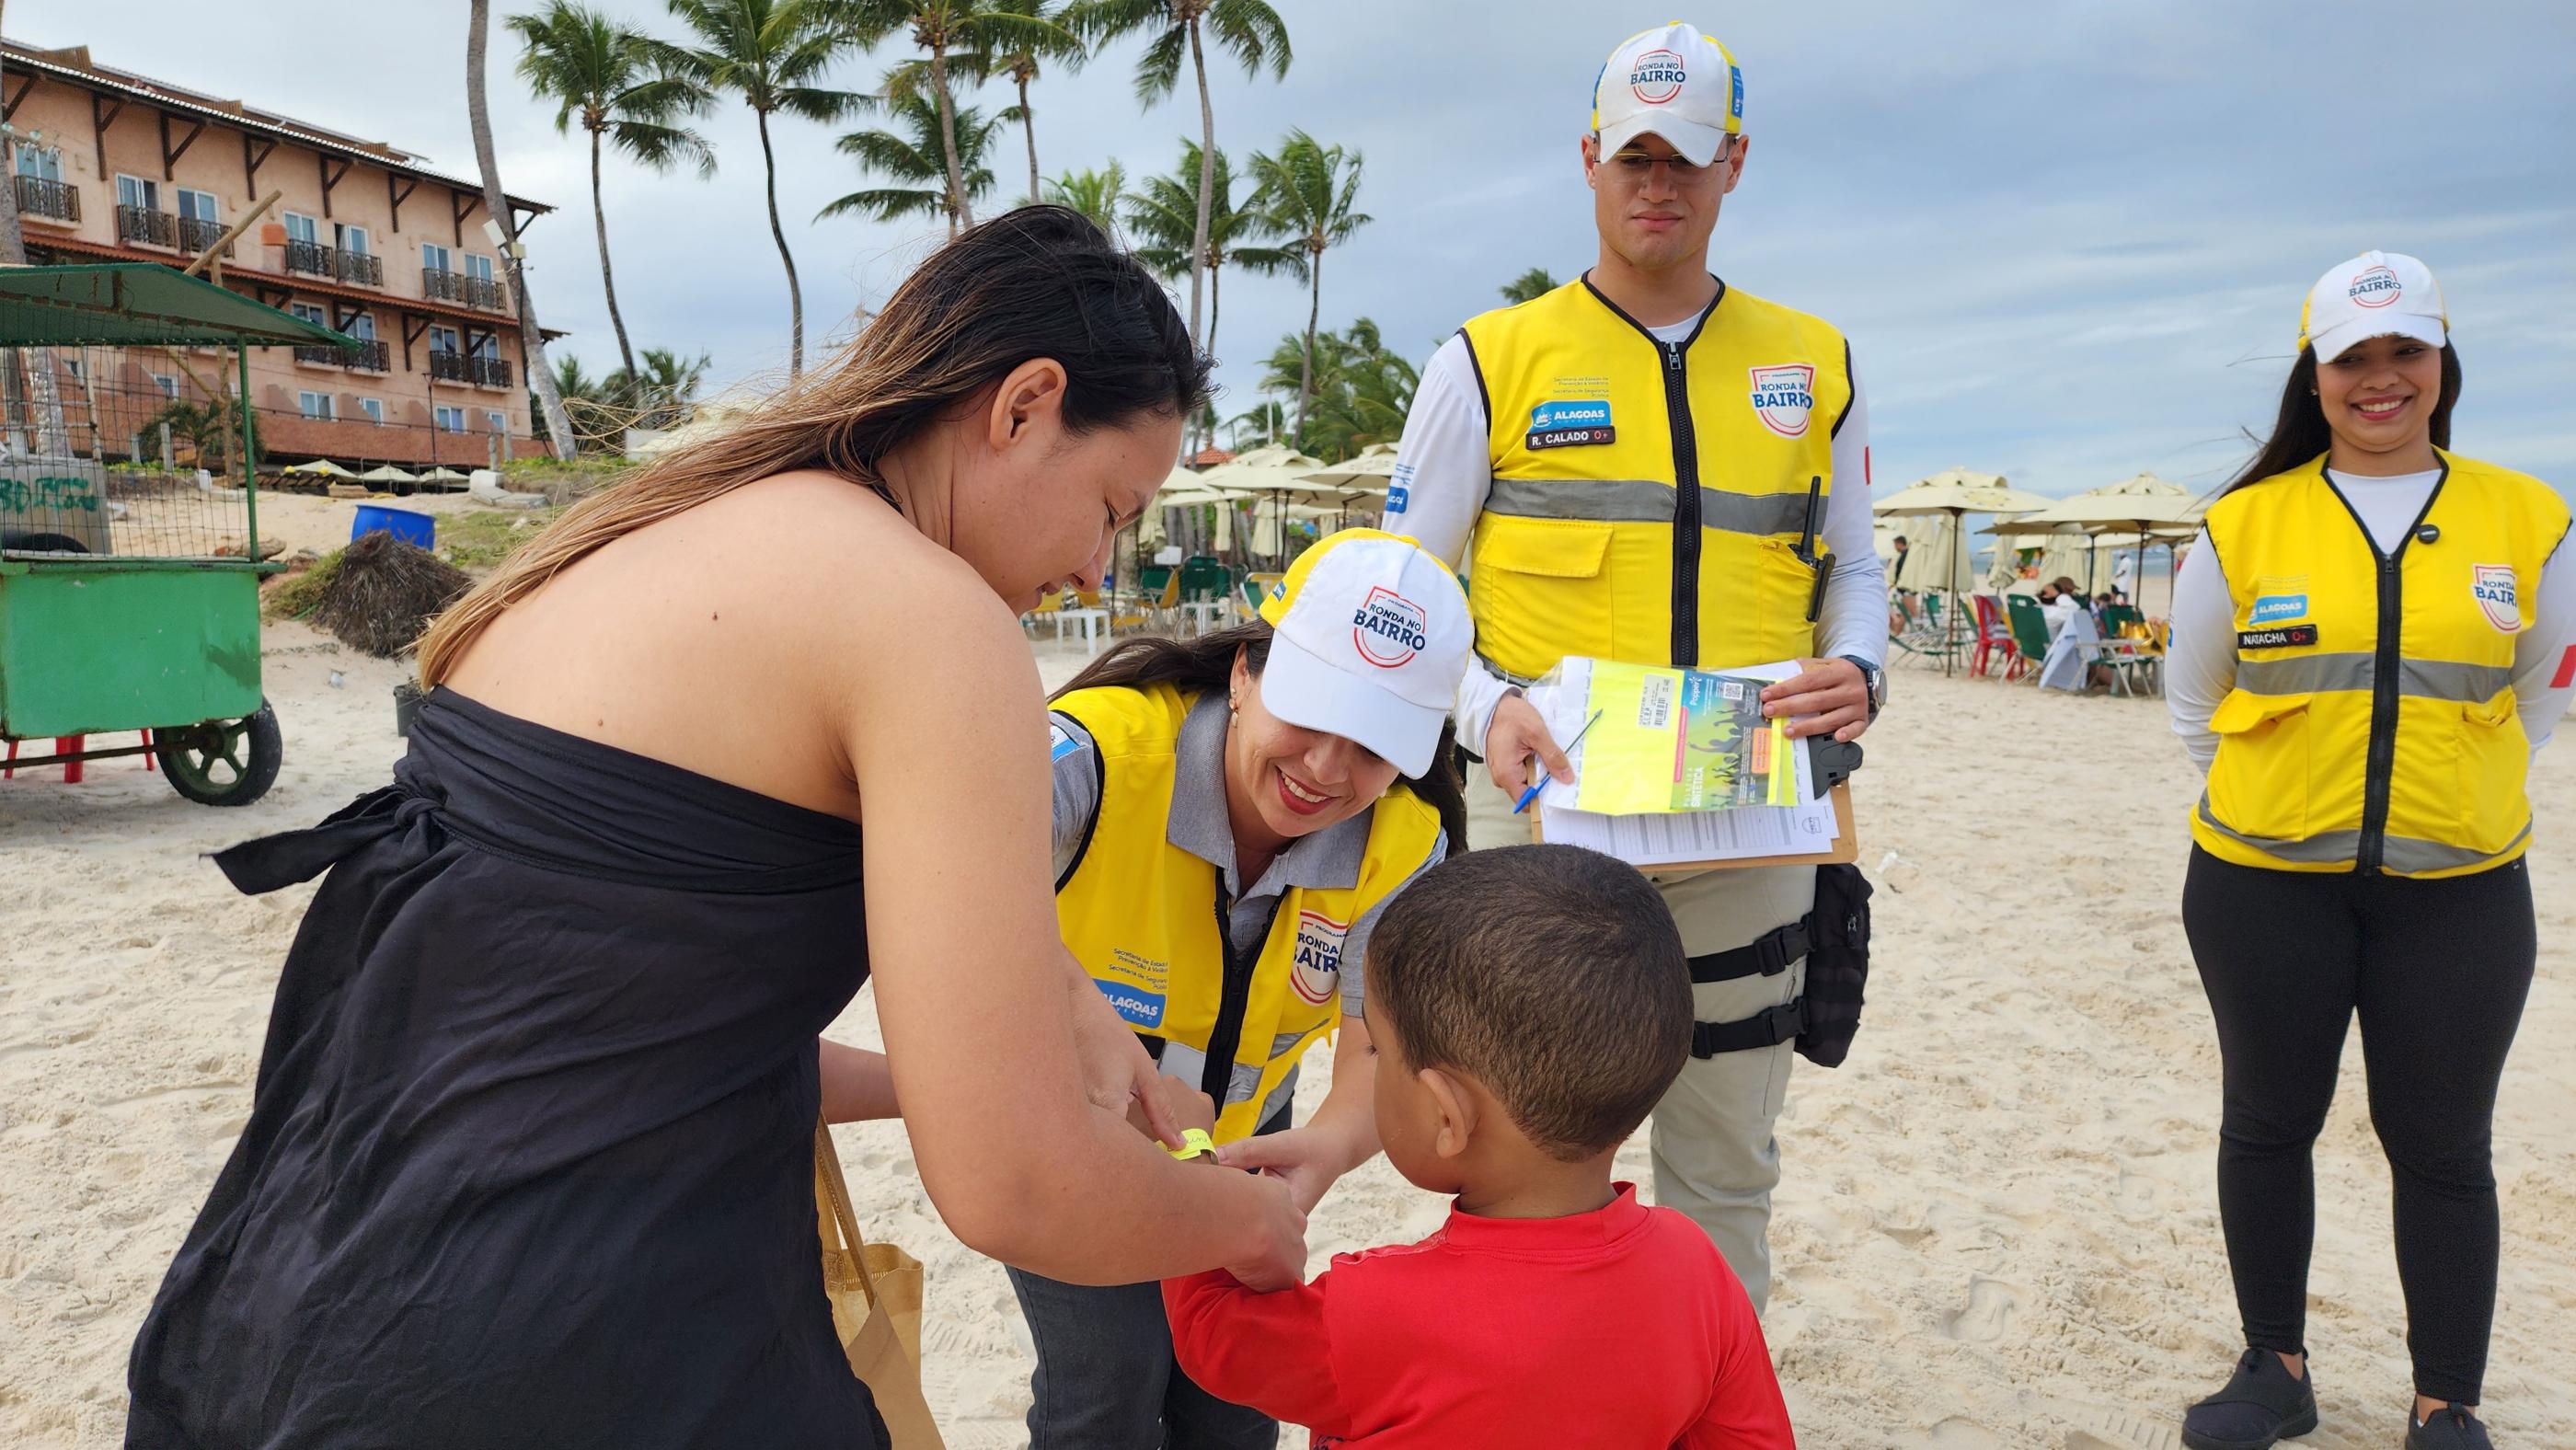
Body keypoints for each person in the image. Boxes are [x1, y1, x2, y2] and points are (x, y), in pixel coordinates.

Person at [122, 208, 1306, 1450]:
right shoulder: (931, 623)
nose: (1096, 569)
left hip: (296, 1286)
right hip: (568, 1336)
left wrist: (1049, 1015)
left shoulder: (640, 536)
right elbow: (1014, 1189)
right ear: (1025, 405)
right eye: (1114, 508)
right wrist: (1247, 1225)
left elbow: (606, 1018)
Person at [1382, 20, 1887, 1315]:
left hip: (1751, 824)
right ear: (1592, 158)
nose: (1660, 184)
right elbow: (1401, 596)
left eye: (1690, 159)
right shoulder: (1485, 362)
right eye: (1637, 158)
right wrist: (1487, 709)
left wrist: (1863, 672)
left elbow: (1855, 568)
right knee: (1522, 1165)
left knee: (1724, 1169)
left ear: (1734, 167)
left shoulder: (1814, 361)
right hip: (1547, 831)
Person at [824, 529, 1470, 1447]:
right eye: (1312, 714)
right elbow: (905, 856)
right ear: (1245, 673)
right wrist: (1067, 1048)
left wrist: (1319, 1152)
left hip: (1246, 1146)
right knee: (1109, 1384)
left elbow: (1377, 1051)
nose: (1326, 769)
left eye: (1372, 746)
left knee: (1239, 1389)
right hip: (1062, 1138)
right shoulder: (1096, 758)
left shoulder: (1402, 845)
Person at [2167, 250, 2573, 1450]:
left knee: (2444, 1146)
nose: (2382, 378)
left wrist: (2443, 802)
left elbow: (2539, 700)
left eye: (2407, 351)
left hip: (2459, 891)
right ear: (2318, 373)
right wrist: (2291, 812)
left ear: (2444, 362)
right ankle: (2274, 1369)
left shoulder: (2528, 519)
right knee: (2267, 1121)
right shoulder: (2243, 526)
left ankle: (2448, 1401)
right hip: (2263, 887)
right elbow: (2196, 707)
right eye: (2354, 356)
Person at [1162, 844, 1796, 1447]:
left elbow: (1213, 1333)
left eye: (1377, 1049)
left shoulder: (1373, 1314)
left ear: (1447, 1116)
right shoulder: (1699, 1271)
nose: (1372, 1069)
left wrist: (1190, 1155)